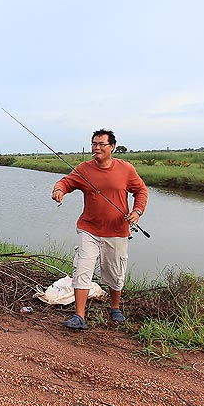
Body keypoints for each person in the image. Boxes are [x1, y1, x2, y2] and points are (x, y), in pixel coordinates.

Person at [52, 129, 148, 329]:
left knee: (115, 273)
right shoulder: (84, 169)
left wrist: (137, 212)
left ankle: (115, 308)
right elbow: (66, 182)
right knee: (82, 269)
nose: (96, 148)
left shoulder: (126, 169)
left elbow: (141, 191)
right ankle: (79, 316)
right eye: (93, 144)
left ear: (112, 147)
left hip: (117, 231)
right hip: (89, 229)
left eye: (101, 144)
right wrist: (59, 190)